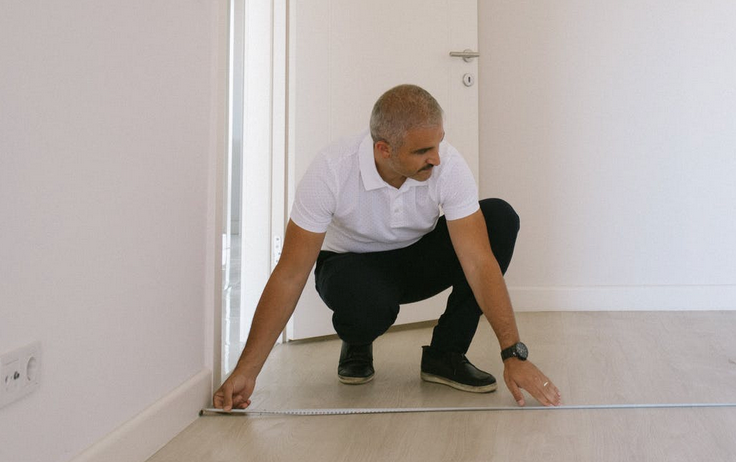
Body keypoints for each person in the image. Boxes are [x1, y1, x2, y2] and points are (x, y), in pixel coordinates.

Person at [213, 84, 561, 410]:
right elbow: (289, 275)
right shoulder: (330, 171)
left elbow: (479, 261)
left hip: (415, 258)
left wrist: (513, 353)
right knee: (370, 306)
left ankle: (445, 355)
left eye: (438, 144)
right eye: (423, 151)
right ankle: (358, 340)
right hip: (349, 266)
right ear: (384, 149)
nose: (436, 158)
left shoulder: (447, 165)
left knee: (499, 218)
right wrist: (247, 370)